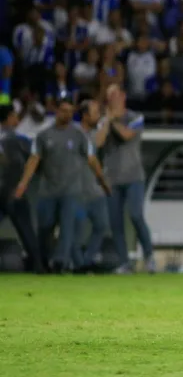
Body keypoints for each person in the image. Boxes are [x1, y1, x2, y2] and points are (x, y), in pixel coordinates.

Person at [13, 96, 111, 273]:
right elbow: (34, 160)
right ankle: (43, 260)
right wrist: (23, 184)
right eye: (64, 111)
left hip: (71, 190)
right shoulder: (43, 136)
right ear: (57, 111)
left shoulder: (79, 135)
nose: (67, 115)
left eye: (70, 112)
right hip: (48, 190)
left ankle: (60, 262)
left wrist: (102, 181)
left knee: (67, 227)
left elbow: (92, 159)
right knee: (45, 226)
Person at [102, 86, 156, 273]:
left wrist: (113, 120)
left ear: (123, 96)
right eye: (109, 96)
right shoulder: (104, 119)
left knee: (135, 215)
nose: (112, 99)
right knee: (115, 222)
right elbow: (98, 142)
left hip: (134, 176)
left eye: (115, 95)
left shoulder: (135, 117)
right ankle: (125, 262)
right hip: (112, 178)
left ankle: (149, 257)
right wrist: (106, 121)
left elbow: (126, 135)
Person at [0, 106, 44, 273]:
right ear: (10, 117)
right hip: (14, 192)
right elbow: (37, 157)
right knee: (26, 231)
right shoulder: (17, 139)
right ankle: (38, 266)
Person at [74, 100, 112, 271]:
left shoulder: (91, 131)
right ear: (85, 115)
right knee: (77, 233)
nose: (98, 116)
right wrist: (108, 119)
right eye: (95, 112)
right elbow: (99, 141)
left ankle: (86, 261)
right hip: (78, 193)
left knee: (102, 226)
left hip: (94, 192)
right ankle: (78, 264)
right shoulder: (76, 133)